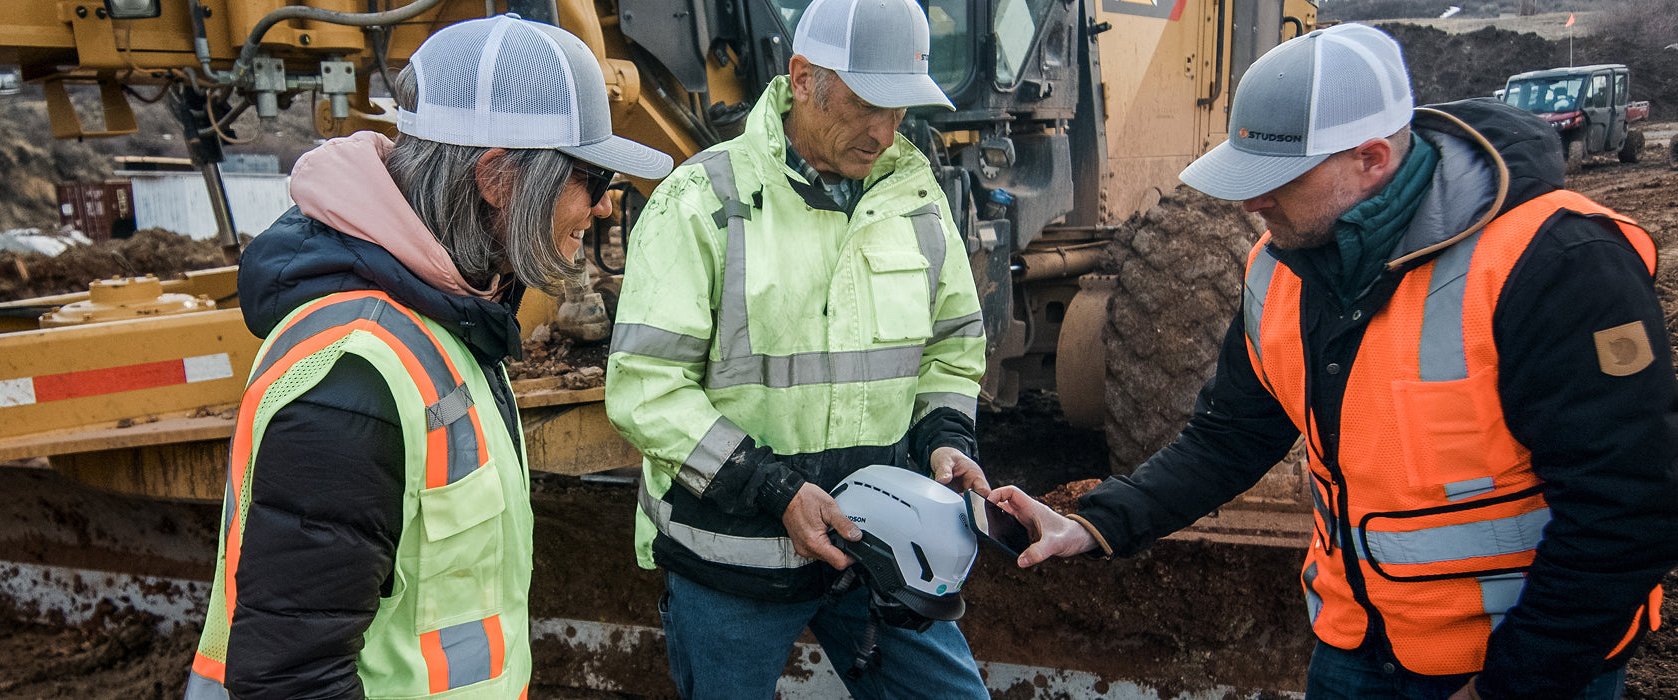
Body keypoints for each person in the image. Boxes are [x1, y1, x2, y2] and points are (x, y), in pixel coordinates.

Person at [989, 23, 1678, 700]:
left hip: (1521, 661)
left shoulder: (1557, 263)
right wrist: (1096, 521)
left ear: (1372, 159)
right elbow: (1229, 437)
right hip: (1354, 647)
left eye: (1278, 178)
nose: (1252, 200)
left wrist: (1511, 683)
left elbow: (1624, 512)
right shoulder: (1279, 268)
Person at [184, 15, 670, 699]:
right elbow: (290, 680)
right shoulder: (354, 378)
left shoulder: (447, 321)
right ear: (499, 178)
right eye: (590, 178)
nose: (597, 208)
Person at [603, 0, 991, 696]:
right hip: (733, 565)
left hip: (878, 554)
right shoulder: (701, 199)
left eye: (901, 109)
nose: (885, 131)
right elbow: (646, 388)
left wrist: (946, 435)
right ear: (804, 77)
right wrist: (774, 489)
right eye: (869, 104)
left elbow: (952, 344)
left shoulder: (916, 198)